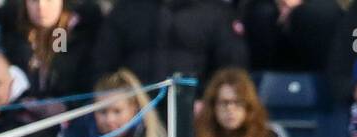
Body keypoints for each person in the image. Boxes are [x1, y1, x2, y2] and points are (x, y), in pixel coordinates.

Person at [92, 0, 248, 91]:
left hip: (198, 114)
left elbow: (231, 68)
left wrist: (207, 102)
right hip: (136, 112)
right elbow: (103, 65)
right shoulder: (125, 10)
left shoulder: (216, 12)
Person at [0, 0, 100, 108]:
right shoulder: (10, 29)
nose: (41, 7)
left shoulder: (83, 32)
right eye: (34, 1)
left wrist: (65, 106)